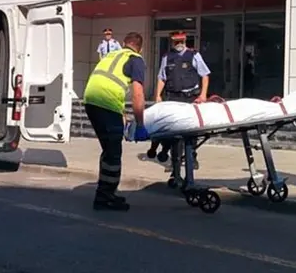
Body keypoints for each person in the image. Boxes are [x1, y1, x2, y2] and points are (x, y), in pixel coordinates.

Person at [82, 32, 147, 211]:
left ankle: (105, 192)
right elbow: (138, 93)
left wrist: (122, 113)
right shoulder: (136, 59)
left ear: (124, 43)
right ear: (140, 47)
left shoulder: (111, 55)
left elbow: (111, 83)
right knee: (113, 152)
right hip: (106, 103)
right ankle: (105, 197)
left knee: (108, 149)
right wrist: (140, 123)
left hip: (90, 100)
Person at [151, 31, 211, 168]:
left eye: (181, 41)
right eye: (176, 42)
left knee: (192, 130)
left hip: (190, 97)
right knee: (173, 130)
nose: (179, 44)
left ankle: (192, 158)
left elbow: (205, 75)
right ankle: (175, 160)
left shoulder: (194, 55)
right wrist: (158, 95)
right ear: (172, 42)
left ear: (185, 41)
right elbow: (162, 77)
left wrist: (203, 95)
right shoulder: (167, 57)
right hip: (173, 97)